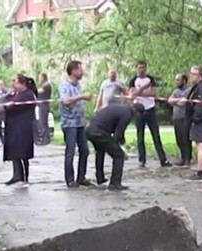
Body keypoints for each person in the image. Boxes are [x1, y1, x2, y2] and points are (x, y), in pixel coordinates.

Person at [86, 101, 140, 191]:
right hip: (99, 132)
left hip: (90, 130)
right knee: (119, 155)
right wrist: (121, 144)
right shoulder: (127, 114)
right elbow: (119, 132)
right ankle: (115, 183)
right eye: (138, 114)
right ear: (136, 111)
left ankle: (100, 178)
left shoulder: (120, 107)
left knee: (100, 151)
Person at [128, 60, 171, 169]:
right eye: (139, 67)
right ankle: (142, 160)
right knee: (140, 136)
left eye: (143, 67)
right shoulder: (133, 80)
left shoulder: (150, 79)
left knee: (156, 135)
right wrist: (142, 89)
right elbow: (132, 95)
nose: (142, 70)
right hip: (139, 110)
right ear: (136, 68)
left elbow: (153, 93)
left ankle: (163, 159)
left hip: (150, 109)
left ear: (146, 68)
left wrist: (140, 93)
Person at [58, 60, 94, 188]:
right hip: (69, 123)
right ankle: (70, 179)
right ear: (73, 70)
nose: (82, 72)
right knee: (70, 151)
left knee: (84, 150)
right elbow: (66, 101)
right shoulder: (64, 85)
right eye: (80, 69)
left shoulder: (78, 85)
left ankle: (81, 177)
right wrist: (82, 97)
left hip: (80, 122)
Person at [2, 74, 37, 186]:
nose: (13, 84)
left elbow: (11, 105)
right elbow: (6, 102)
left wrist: (9, 100)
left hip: (22, 128)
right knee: (14, 151)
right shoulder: (17, 94)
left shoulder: (27, 95)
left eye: (15, 82)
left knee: (22, 153)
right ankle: (17, 174)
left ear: (23, 83)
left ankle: (23, 176)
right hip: (14, 127)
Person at [167, 73, 192, 167]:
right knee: (179, 139)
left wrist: (175, 101)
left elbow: (183, 103)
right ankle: (182, 157)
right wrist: (177, 100)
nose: (176, 82)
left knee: (186, 138)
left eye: (178, 80)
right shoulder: (175, 91)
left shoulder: (189, 90)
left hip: (185, 117)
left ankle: (187, 159)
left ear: (184, 81)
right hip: (176, 118)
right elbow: (170, 100)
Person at [35, 73, 53, 145]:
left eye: (40, 78)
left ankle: (46, 139)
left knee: (43, 122)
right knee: (41, 122)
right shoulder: (44, 86)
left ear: (43, 78)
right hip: (41, 106)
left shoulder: (47, 86)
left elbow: (38, 91)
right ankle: (44, 138)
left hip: (44, 106)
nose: (39, 79)